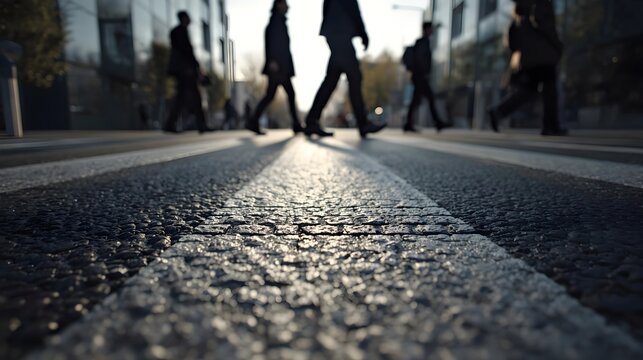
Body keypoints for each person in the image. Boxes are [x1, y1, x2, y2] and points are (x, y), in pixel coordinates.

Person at [304, 0, 386, 138]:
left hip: (334, 33)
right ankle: (363, 123)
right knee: (355, 77)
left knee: (330, 81)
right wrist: (363, 33)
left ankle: (311, 120)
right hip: (341, 34)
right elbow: (353, 8)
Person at [488, 0, 566, 136]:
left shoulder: (520, 9)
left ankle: (499, 111)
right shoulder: (539, 4)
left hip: (529, 56)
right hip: (543, 52)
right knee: (549, 90)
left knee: (529, 90)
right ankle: (550, 126)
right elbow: (546, 25)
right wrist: (557, 45)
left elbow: (514, 42)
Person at [246, 0, 303, 135]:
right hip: (278, 67)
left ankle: (253, 121)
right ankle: (295, 124)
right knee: (287, 94)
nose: (288, 6)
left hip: (279, 66)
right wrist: (272, 61)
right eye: (285, 4)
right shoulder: (276, 22)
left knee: (272, 95)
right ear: (279, 5)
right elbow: (272, 43)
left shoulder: (279, 21)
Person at [164, 11, 212, 133]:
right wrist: (195, 67)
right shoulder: (180, 32)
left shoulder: (176, 32)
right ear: (184, 18)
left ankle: (171, 124)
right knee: (195, 97)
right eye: (188, 18)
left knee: (182, 97)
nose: (190, 20)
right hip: (185, 70)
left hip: (182, 69)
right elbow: (186, 51)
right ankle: (201, 125)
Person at [405, 22, 450, 133]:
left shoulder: (422, 42)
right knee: (429, 98)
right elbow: (421, 60)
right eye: (430, 29)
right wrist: (424, 73)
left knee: (417, 101)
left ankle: (408, 123)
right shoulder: (423, 42)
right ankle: (437, 122)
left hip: (419, 76)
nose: (432, 31)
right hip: (420, 77)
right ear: (426, 29)